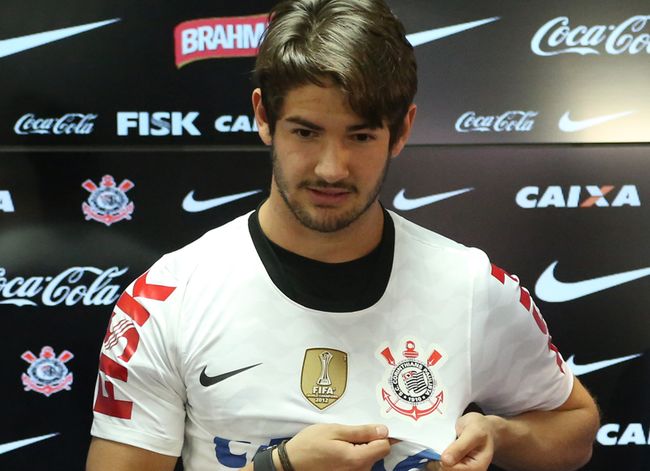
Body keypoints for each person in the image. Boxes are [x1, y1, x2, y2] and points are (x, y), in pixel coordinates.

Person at [86, 0, 600, 470]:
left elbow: (573, 427)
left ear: (402, 130)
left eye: (360, 136)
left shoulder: (471, 286)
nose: (331, 168)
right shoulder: (167, 299)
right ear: (264, 116)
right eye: (306, 132)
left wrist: (501, 434)